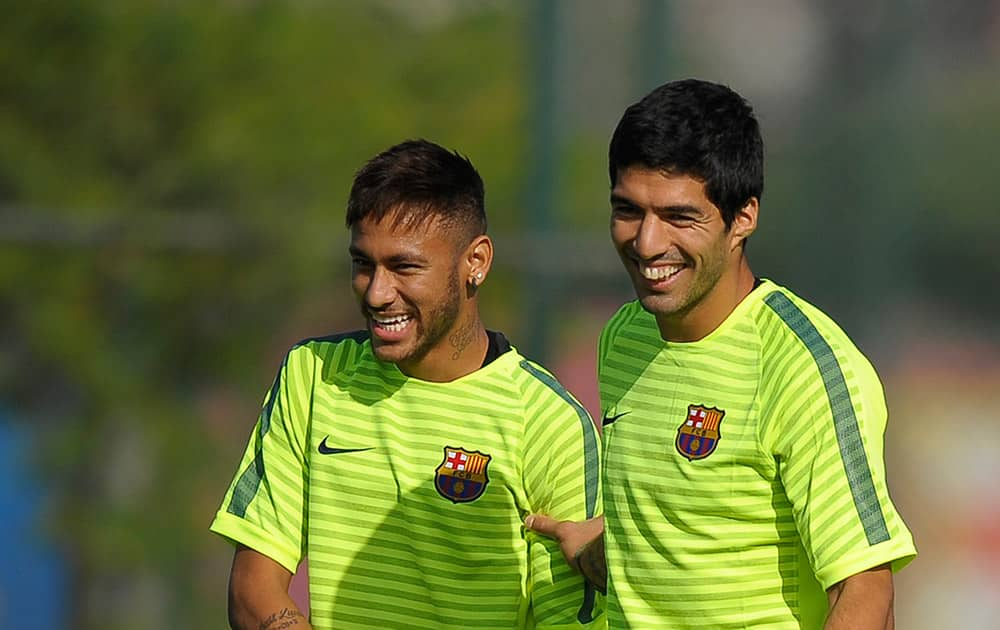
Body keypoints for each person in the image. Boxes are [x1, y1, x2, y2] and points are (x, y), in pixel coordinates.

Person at [525, 79, 916, 628]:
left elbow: (865, 590)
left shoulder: (805, 366)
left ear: (744, 218)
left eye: (680, 217)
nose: (647, 243)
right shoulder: (625, 336)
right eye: (628, 210)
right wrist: (598, 551)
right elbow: (694, 543)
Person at [211, 139, 604, 629]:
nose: (377, 293)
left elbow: (568, 620)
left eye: (404, 267)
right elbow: (253, 589)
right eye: (363, 264)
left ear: (475, 262)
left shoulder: (549, 421)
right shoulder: (312, 375)